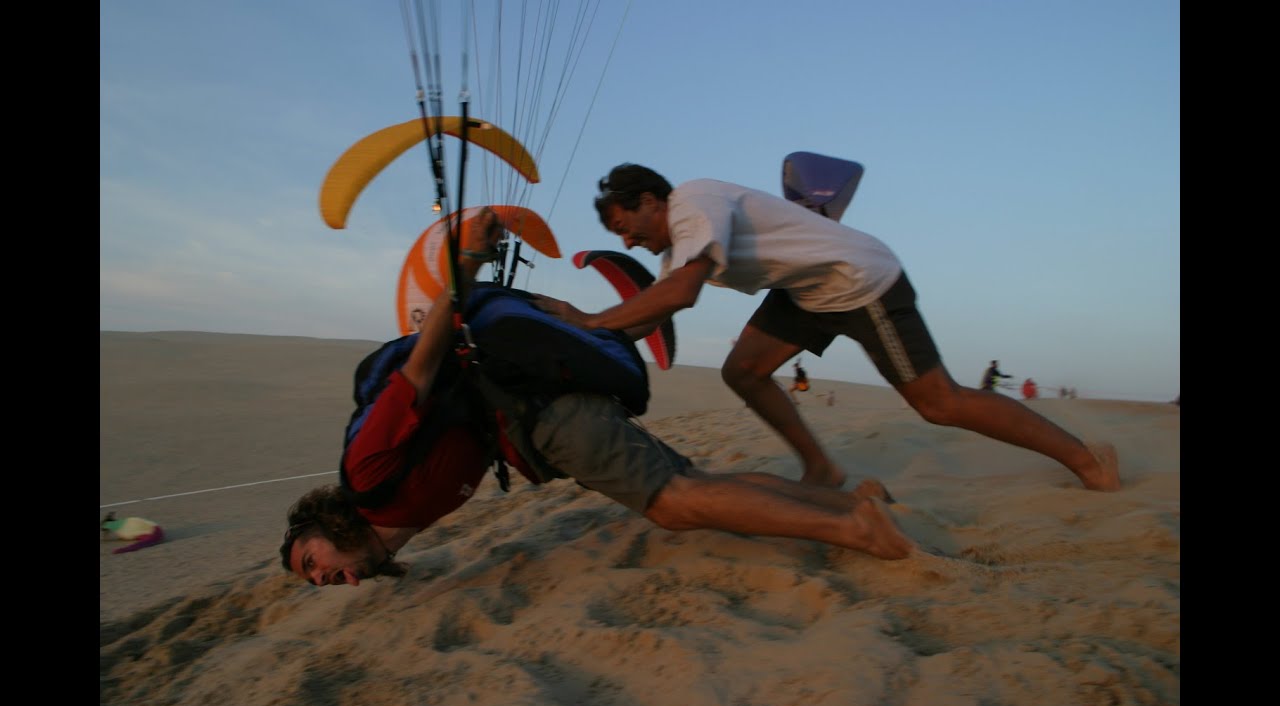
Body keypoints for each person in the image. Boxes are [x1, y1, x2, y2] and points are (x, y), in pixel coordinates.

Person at [279, 207, 918, 588]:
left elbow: (421, 365)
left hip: (556, 422)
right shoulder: (397, 526)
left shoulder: (367, 478)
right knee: (695, 482)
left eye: (311, 561)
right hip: (556, 421)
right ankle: (853, 500)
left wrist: (466, 266)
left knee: (675, 503)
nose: (321, 578)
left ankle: (855, 529)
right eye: (313, 581)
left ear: (324, 527)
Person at [533, 164, 1120, 492]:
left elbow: (681, 295)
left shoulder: (694, 202)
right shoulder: (676, 248)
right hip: (806, 292)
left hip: (860, 282)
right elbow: (653, 312)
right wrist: (573, 339)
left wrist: (590, 320)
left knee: (939, 403)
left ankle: (1087, 459)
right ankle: (822, 468)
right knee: (744, 371)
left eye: (625, 226)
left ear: (649, 200)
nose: (628, 241)